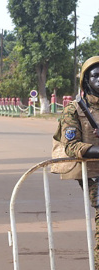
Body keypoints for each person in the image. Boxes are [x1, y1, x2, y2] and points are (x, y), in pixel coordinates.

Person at [55, 56, 99, 267]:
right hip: (94, 175)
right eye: (95, 75)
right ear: (85, 81)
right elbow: (71, 147)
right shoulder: (75, 110)